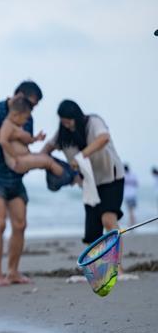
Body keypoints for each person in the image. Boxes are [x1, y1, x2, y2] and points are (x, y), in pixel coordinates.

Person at [0, 81, 43, 287]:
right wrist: (14, 134)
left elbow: (25, 146)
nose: (32, 110)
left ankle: (13, 272)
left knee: (20, 224)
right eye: (31, 104)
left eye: (34, 107)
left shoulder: (28, 118)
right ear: (18, 96)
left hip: (14, 174)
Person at [40, 99, 125, 244]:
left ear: (77, 117)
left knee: (108, 220)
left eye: (69, 121)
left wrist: (80, 157)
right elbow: (45, 150)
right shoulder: (62, 134)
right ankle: (98, 267)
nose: (66, 125)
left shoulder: (93, 122)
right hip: (89, 185)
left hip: (111, 177)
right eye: (63, 122)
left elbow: (103, 138)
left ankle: (117, 266)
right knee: (92, 235)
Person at [0, 97, 66, 177]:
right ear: (16, 115)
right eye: (25, 118)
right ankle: (66, 177)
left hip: (25, 156)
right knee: (48, 161)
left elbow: (26, 140)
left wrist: (36, 138)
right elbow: (3, 141)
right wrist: (15, 157)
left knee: (45, 157)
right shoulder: (8, 125)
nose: (26, 121)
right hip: (18, 161)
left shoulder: (17, 126)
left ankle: (60, 175)